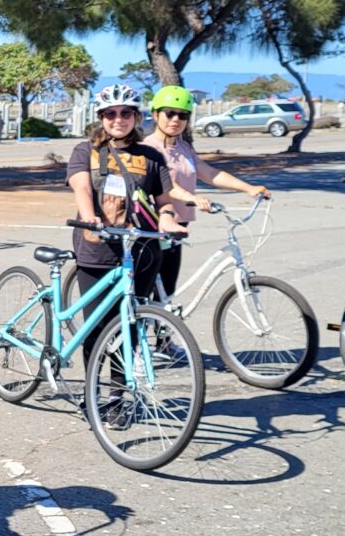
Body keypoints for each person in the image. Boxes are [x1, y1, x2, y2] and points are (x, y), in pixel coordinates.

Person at [65, 84, 183, 426]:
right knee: (97, 326)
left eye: (126, 113)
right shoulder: (84, 150)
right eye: (111, 114)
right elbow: (81, 187)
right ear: (101, 118)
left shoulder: (152, 157)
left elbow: (163, 202)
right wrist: (89, 214)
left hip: (142, 250)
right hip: (97, 248)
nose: (119, 119)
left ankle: (117, 396)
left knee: (128, 327)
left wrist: (169, 220)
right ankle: (91, 393)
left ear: (137, 117)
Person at [143, 85, 270, 297]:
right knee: (147, 289)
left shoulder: (184, 148)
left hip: (179, 225)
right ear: (156, 114)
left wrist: (249, 188)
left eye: (183, 115)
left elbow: (210, 173)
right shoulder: (148, 148)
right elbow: (163, 184)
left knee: (167, 289)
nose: (176, 119)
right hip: (154, 225)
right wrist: (191, 197)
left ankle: (160, 327)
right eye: (170, 113)